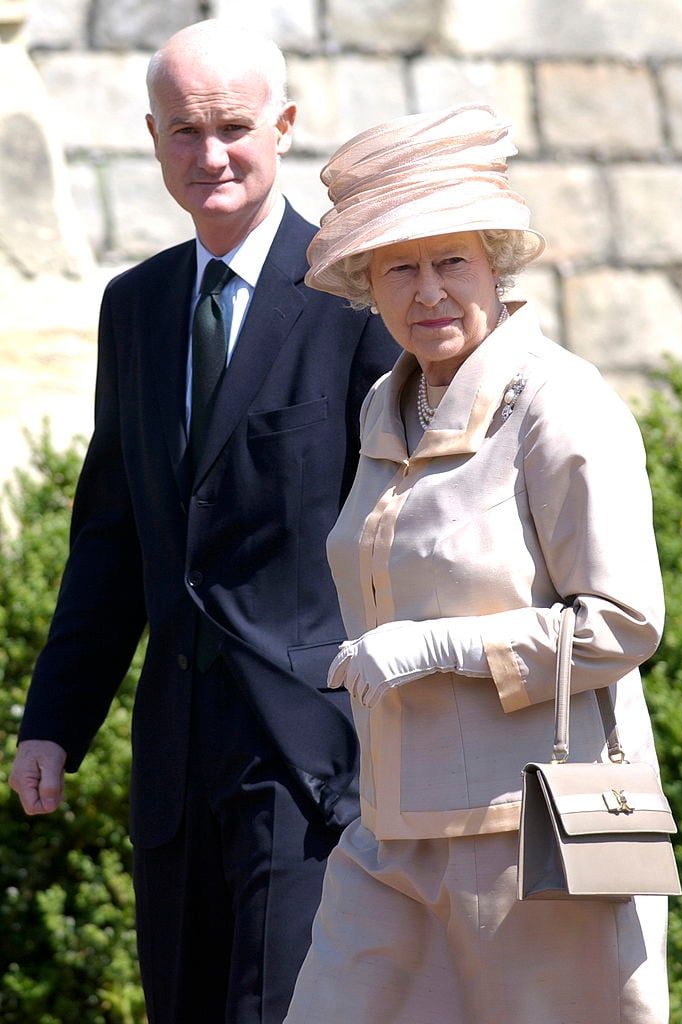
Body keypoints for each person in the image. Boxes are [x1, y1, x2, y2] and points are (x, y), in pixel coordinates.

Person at [8, 19, 398, 1024]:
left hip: (314, 764)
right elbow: (113, 538)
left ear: (285, 124)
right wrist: (54, 721)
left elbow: (407, 523)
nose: (211, 153)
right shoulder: (134, 307)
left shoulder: (357, 295)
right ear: (151, 136)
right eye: (185, 130)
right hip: (174, 768)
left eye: (232, 126)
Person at [283, 104, 671, 1023]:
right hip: (387, 833)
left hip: (530, 838)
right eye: (399, 268)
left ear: (494, 265)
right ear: (367, 286)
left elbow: (623, 620)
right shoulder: (389, 404)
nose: (427, 292)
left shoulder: (559, 401)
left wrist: (437, 646)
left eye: (450, 261)